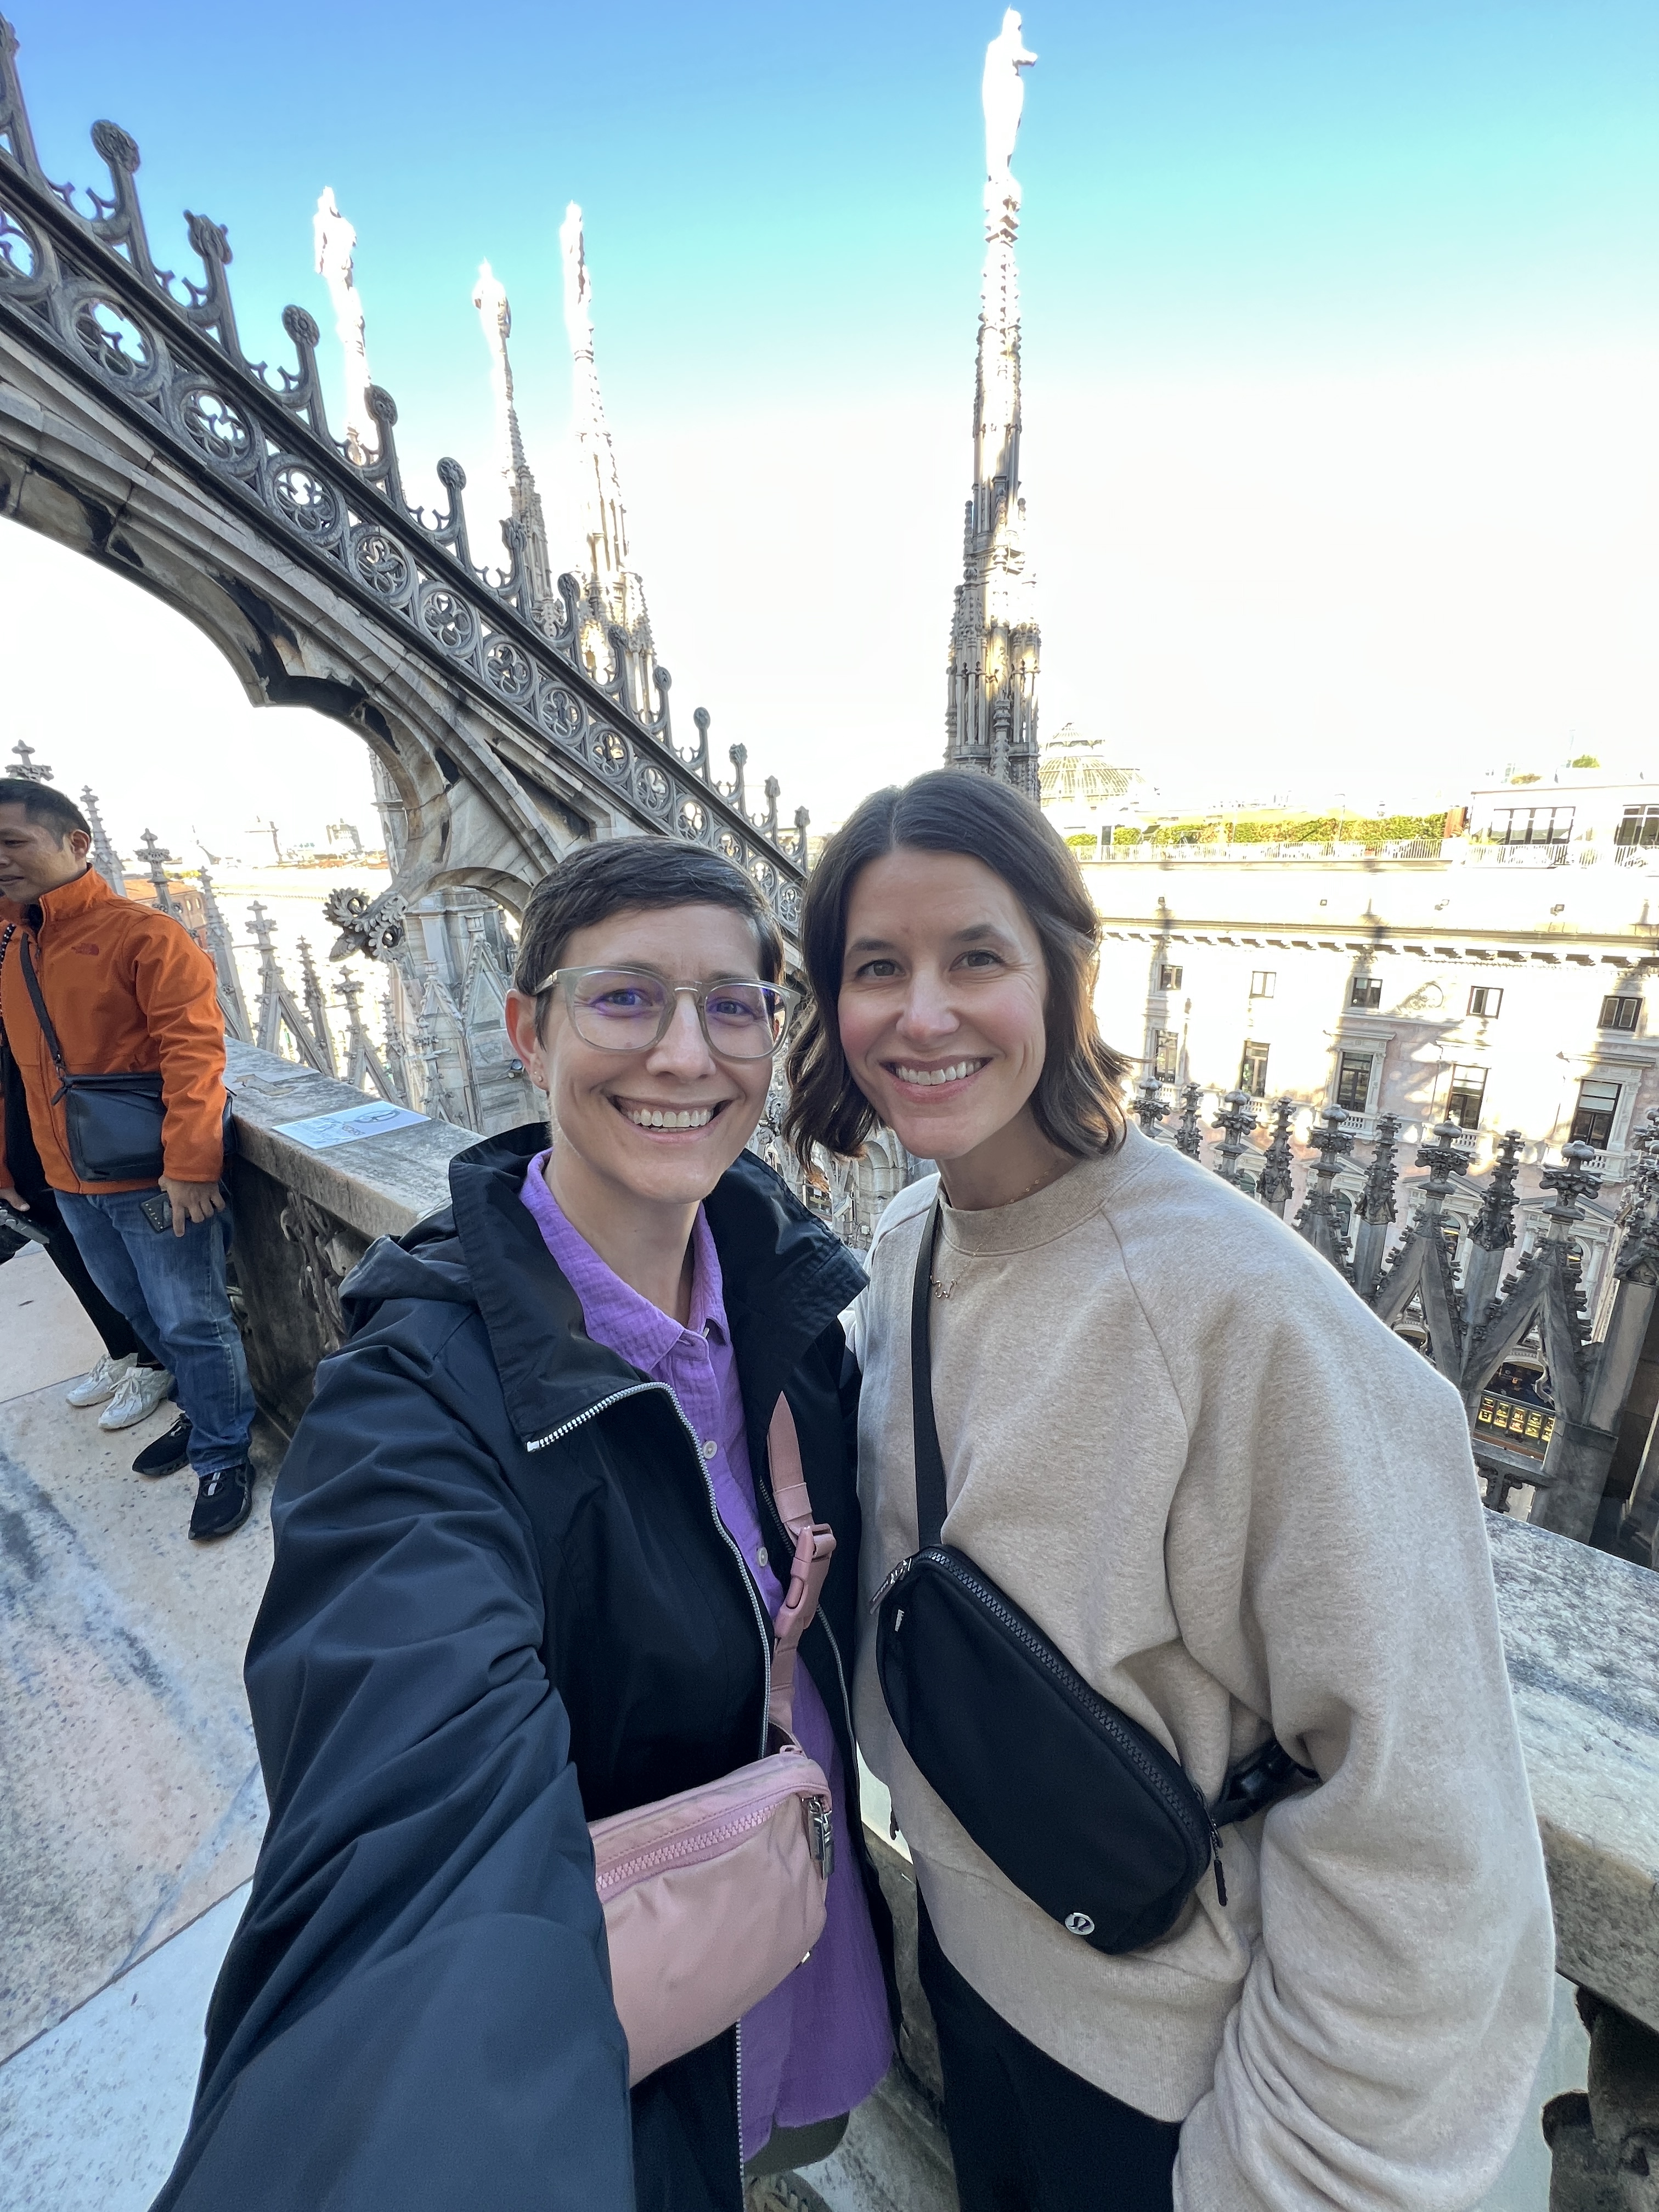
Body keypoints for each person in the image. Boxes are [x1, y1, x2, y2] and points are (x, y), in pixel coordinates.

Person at [784, 769, 1555, 2212]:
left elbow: (1428, 1836)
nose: (922, 1014)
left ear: (1064, 976)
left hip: (1174, 2099)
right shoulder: (911, 1246)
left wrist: (1283, 2178)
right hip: (971, 1981)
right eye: (876, 967)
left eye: (976, 958)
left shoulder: (1241, 1313)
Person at [153, 840, 894, 2212]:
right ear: (525, 1029)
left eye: (733, 1005)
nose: (687, 1053)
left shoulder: (791, 1304)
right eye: (625, 998)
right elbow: (410, 1835)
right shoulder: (412, 1404)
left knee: (788, 2148)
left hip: (803, 1924)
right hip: (621, 2026)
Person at [0, 778, 256, 1538]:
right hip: (69, 1179)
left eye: (12, 843)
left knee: (193, 1320)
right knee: (138, 1312)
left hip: (151, 1178)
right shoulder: (16, 946)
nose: (0, 861)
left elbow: (194, 1054)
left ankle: (223, 1453)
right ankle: (201, 1412)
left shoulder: (145, 936)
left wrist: (192, 1165)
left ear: (76, 844)